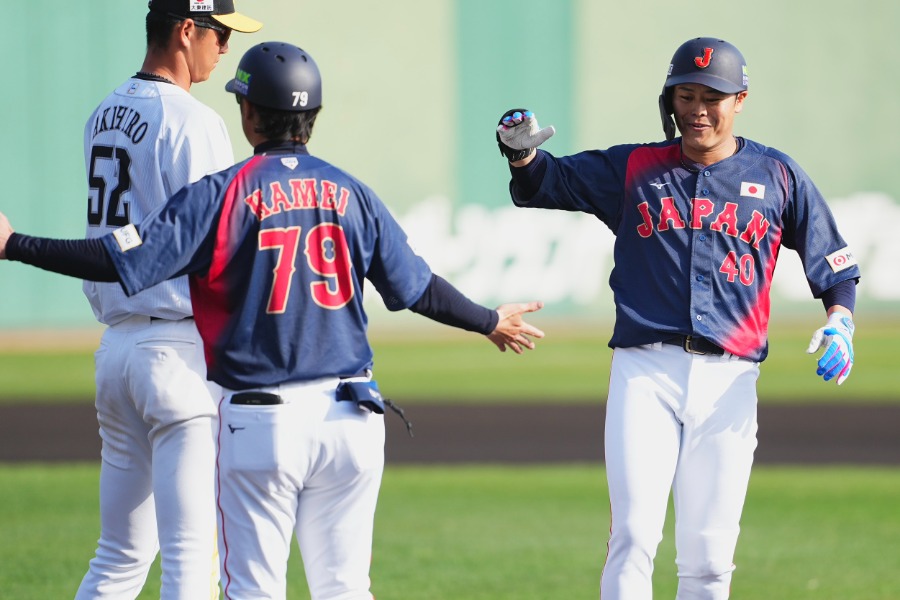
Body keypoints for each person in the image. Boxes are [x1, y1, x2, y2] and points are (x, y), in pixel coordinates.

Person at [0, 40, 545, 599]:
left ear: (250, 113)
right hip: (352, 419)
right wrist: (487, 321)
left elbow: (116, 258)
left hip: (264, 423)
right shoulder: (351, 192)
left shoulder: (223, 193)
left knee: (252, 590)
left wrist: (14, 244)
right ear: (313, 117)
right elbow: (417, 288)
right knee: (345, 590)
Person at [494, 37, 859, 599]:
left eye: (712, 97)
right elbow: (548, 180)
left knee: (710, 559)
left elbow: (834, 266)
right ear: (670, 101)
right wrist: (521, 153)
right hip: (646, 373)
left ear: (740, 99)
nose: (698, 109)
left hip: (731, 381)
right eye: (685, 95)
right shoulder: (636, 166)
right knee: (634, 538)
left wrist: (841, 322)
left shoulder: (777, 174)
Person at [75, 1, 260, 598]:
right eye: (220, 33)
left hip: (116, 351)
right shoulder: (193, 120)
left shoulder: (103, 111)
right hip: (175, 351)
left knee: (118, 556)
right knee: (189, 561)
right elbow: (221, 244)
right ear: (186, 30)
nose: (225, 46)